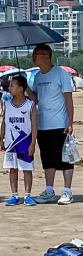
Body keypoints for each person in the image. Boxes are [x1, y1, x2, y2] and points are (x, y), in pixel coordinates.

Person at [31, 44, 75, 204]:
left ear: (45, 56)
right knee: (47, 159)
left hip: (60, 124)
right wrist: (26, 88)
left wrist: (70, 122)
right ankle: (49, 190)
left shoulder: (61, 73)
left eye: (36, 54)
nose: (34, 57)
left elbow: (68, 99)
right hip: (42, 125)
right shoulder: (37, 77)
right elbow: (36, 98)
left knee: (65, 159)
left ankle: (67, 191)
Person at [2, 73, 38, 206]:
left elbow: (34, 125)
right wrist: (1, 138)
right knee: (12, 169)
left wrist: (33, 143)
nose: (9, 88)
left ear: (21, 88)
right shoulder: (6, 104)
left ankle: (27, 195)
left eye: (12, 85)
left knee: (27, 169)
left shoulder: (30, 105)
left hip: (25, 142)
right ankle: (14, 195)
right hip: (10, 143)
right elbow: (4, 123)